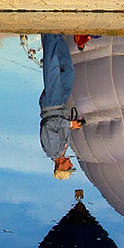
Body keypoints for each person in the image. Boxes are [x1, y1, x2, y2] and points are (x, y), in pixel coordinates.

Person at [37, 32, 81, 180]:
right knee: (68, 72)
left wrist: (69, 124)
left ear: (60, 166)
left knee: (52, 68)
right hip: (60, 104)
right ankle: (59, 38)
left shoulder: (52, 150)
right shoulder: (63, 148)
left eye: (68, 167)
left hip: (52, 104)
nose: (70, 164)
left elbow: (49, 125)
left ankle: (49, 34)